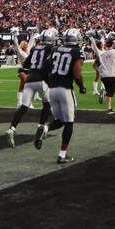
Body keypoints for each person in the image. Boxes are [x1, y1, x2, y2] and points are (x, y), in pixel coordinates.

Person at [36, 28, 84, 163]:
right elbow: (77, 74)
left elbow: (43, 67)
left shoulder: (56, 49)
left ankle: (45, 128)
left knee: (61, 120)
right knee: (69, 122)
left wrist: (49, 81)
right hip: (65, 89)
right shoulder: (77, 51)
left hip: (52, 90)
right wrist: (82, 87)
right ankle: (62, 155)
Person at [6, 29, 52, 147]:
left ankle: (12, 128)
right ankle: (41, 127)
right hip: (41, 79)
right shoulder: (50, 48)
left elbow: (26, 64)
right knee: (47, 104)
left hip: (30, 78)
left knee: (23, 106)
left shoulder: (34, 49)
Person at [97, 36, 115, 115]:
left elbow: (95, 64)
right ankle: (109, 109)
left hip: (104, 75)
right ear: (113, 44)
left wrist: (99, 70)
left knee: (109, 92)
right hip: (113, 74)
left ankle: (103, 94)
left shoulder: (102, 53)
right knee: (110, 93)